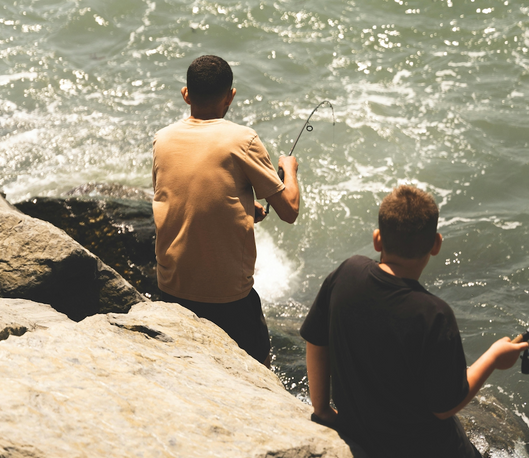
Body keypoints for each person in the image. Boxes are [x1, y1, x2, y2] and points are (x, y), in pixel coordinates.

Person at [300, 185, 527, 458]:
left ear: (377, 240)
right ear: (436, 244)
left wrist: (322, 409)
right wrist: (494, 357)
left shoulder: (346, 273)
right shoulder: (434, 314)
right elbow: (444, 406)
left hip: (358, 435)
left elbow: (315, 339)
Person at [152, 54, 300, 365]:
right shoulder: (243, 140)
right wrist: (290, 170)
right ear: (230, 96)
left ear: (186, 94)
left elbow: (188, 196)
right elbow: (289, 211)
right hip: (229, 297)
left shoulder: (162, 140)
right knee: (258, 371)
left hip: (171, 287)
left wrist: (244, 207)